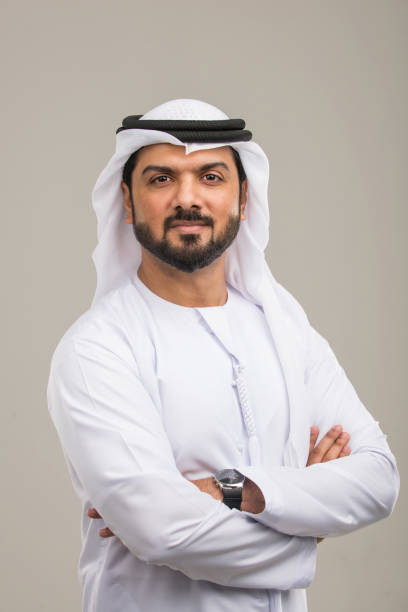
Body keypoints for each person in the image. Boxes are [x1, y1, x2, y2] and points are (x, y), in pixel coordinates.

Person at [47, 99, 399, 612]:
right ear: (127, 201)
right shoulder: (97, 348)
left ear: (243, 198)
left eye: (211, 177)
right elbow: (162, 531)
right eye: (161, 179)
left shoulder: (286, 330)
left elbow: (379, 479)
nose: (187, 198)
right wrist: (308, 520)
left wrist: (232, 490)